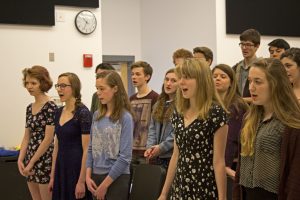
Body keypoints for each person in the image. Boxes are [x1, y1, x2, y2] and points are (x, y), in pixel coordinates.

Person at [159, 59, 228, 199]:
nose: (181, 82)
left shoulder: (216, 114)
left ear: (201, 80)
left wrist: (222, 198)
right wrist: (164, 193)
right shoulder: (178, 113)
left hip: (204, 188)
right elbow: (176, 156)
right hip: (180, 187)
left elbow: (219, 161)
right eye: (181, 77)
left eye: (187, 77)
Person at [234, 58, 300, 200]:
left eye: (258, 82)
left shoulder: (291, 123)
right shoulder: (249, 118)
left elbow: (295, 176)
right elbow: (241, 166)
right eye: (250, 81)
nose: (251, 88)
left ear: (276, 84)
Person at [86, 71, 133, 200]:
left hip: (116, 178)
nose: (98, 93)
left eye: (102, 88)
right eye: (97, 89)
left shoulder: (125, 118)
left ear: (115, 89)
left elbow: (125, 157)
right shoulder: (96, 115)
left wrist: (104, 185)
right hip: (95, 176)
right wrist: (88, 176)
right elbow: (91, 148)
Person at [49, 72, 92, 200]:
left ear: (74, 88)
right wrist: (52, 176)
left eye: (63, 86)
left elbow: (87, 150)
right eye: (58, 86)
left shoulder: (83, 113)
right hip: (61, 167)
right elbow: (56, 145)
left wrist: (81, 181)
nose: (59, 89)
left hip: (77, 168)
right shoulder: (58, 112)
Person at [18, 65, 57, 200]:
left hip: (44, 159)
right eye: (27, 83)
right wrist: (21, 158)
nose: (29, 86)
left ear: (43, 83)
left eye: (33, 83)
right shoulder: (29, 108)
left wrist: (31, 162)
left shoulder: (50, 106)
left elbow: (48, 139)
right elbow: (26, 137)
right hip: (30, 158)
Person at [212, 64, 249, 199]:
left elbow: (230, 139)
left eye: (223, 76)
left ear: (231, 82)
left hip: (230, 163)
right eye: (214, 76)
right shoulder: (208, 104)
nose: (218, 79)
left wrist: (225, 166)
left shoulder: (237, 106)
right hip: (213, 162)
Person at [144, 68, 178, 169]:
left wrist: (161, 147)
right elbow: (152, 129)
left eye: (173, 81)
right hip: (156, 156)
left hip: (172, 156)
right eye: (166, 79)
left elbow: (177, 133)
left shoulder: (182, 106)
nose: (168, 83)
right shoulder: (158, 104)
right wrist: (150, 147)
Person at [130, 61, 159, 167]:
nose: (134, 77)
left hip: (147, 151)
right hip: (132, 150)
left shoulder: (156, 98)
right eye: (132, 74)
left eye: (138, 74)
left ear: (147, 77)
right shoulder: (131, 99)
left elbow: (155, 126)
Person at [233, 28, 261, 103]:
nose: (244, 48)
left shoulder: (263, 68)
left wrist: (240, 100)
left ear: (257, 46)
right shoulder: (236, 68)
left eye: (248, 44)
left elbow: (264, 96)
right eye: (242, 44)